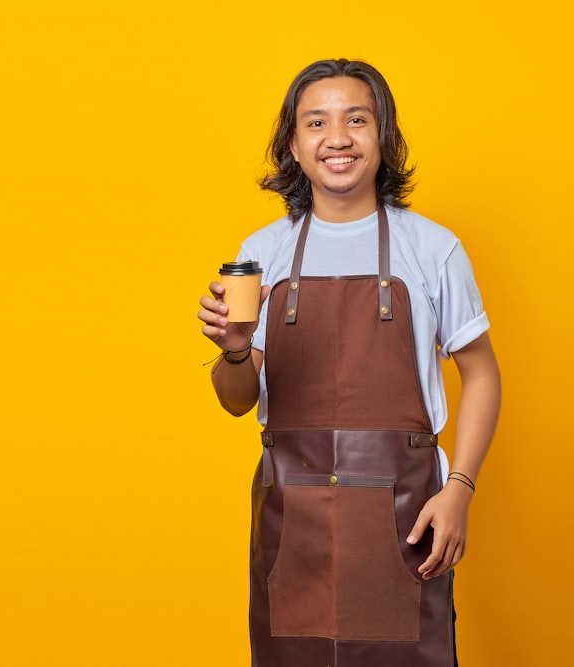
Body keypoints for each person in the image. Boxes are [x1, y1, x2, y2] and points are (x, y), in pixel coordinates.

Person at [197, 58, 501, 667]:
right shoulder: (263, 251)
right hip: (293, 518)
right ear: (293, 143)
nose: (337, 138)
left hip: (404, 516)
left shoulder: (433, 248)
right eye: (316, 122)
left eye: (355, 119)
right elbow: (238, 400)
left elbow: (482, 372)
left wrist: (459, 491)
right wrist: (234, 351)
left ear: (382, 136)